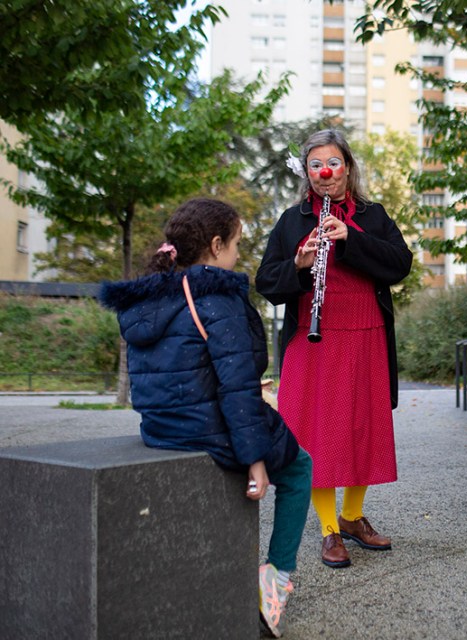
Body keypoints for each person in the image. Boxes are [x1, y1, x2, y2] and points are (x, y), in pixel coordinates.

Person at [99, 198, 312, 638]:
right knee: (300, 466)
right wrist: (255, 459)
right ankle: (275, 580)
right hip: (206, 427)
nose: (237, 255)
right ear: (216, 246)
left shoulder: (148, 294)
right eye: (235, 244)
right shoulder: (214, 295)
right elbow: (235, 385)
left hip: (159, 427)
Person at [256, 129, 413, 569]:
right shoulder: (292, 221)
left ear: (348, 166)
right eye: (316, 166)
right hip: (315, 335)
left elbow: (400, 263)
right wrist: (298, 266)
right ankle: (328, 530)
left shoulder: (373, 214)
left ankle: (352, 516)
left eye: (333, 164)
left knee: (363, 427)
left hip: (366, 332)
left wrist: (351, 238)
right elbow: (267, 282)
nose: (325, 173)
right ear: (307, 172)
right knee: (318, 433)